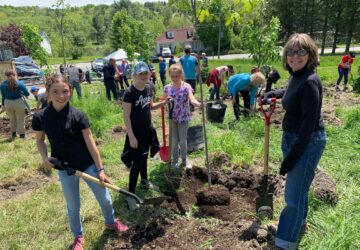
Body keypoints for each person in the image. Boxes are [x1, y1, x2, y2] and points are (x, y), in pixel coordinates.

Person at [31, 74, 128, 250]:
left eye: (65, 91)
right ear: (48, 94)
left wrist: (100, 169)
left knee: (105, 199)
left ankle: (111, 222)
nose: (61, 95)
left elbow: (91, 144)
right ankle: (78, 237)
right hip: (65, 167)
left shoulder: (78, 116)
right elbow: (40, 140)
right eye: (56, 91)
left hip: (87, 164)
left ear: (70, 92)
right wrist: (45, 157)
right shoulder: (40, 117)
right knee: (73, 206)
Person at [261, 33, 326, 250]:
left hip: (306, 142)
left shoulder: (310, 82)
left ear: (310, 54)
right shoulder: (297, 76)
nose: (295, 56)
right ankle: (301, 223)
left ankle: (284, 243)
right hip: (292, 138)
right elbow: (289, 91)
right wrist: (273, 92)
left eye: (301, 52)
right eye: (291, 51)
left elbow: (308, 126)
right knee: (299, 189)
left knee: (292, 196)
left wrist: (292, 157)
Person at [121, 61, 170, 210]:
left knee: (145, 156)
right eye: (140, 74)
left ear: (149, 74)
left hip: (148, 129)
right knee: (137, 162)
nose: (143, 76)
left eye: (145, 73)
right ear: (134, 75)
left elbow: (150, 106)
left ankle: (144, 181)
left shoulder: (149, 87)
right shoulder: (130, 93)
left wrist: (164, 103)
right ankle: (131, 195)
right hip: (136, 133)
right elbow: (126, 116)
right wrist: (131, 136)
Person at [162, 64, 202, 170]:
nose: (175, 78)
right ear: (170, 76)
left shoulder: (186, 86)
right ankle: (174, 161)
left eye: (177, 76)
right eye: (173, 76)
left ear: (181, 75)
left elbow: (192, 99)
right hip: (172, 118)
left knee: (183, 140)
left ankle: (184, 161)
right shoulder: (167, 88)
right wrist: (165, 101)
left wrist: (198, 104)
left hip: (184, 117)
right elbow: (163, 100)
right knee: (174, 140)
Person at [0, 69, 30, 139]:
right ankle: (22, 135)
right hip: (18, 102)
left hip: (8, 103)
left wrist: (3, 105)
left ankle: (13, 134)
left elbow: (3, 96)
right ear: (15, 75)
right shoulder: (20, 83)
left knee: (12, 119)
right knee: (20, 119)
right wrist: (21, 92)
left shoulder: (2, 85)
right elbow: (27, 94)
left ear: (6, 76)